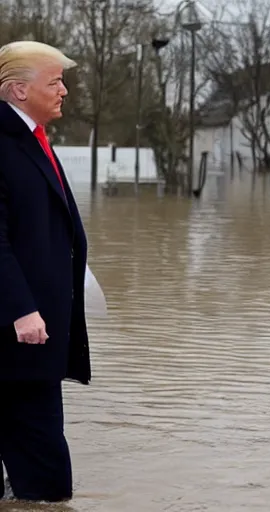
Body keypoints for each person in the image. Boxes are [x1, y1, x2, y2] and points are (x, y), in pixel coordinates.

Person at [0, 41, 91, 501]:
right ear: (18, 90)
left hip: (31, 336)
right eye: (54, 81)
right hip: (17, 336)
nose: (65, 91)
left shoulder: (31, 139)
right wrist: (21, 310)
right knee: (48, 485)